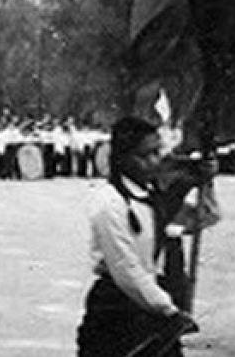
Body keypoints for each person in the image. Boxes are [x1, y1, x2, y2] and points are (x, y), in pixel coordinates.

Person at [76, 117, 199, 357]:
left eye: (157, 153)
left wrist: (196, 177)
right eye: (145, 156)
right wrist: (167, 309)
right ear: (123, 158)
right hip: (118, 309)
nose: (154, 162)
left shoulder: (151, 194)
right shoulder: (109, 203)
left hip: (151, 301)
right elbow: (126, 268)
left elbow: (175, 225)